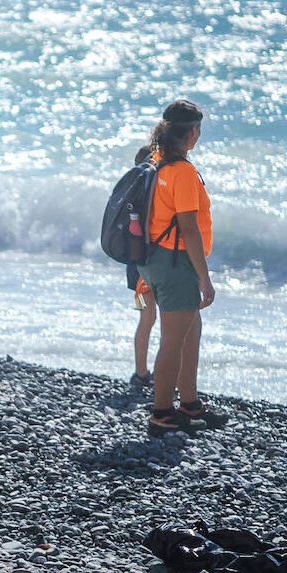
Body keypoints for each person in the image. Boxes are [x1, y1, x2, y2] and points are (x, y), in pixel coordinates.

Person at [140, 98, 226, 437]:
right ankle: (162, 413)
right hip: (177, 263)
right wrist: (205, 279)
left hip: (156, 259)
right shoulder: (184, 173)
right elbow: (188, 228)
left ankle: (188, 404)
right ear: (191, 133)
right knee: (173, 341)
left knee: (190, 332)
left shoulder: (156, 161)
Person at [125, 143, 157, 394]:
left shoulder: (131, 190)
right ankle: (143, 372)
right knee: (151, 318)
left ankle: (141, 372)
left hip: (134, 268)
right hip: (146, 268)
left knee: (145, 318)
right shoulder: (148, 189)